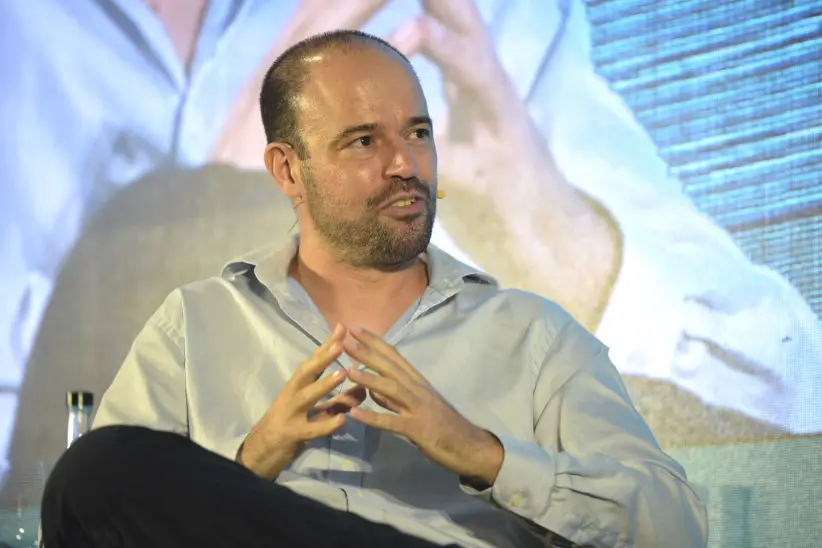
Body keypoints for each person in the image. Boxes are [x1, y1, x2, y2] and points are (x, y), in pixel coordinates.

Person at [41, 30, 708, 548]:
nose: (405, 164)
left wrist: (485, 455)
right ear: (288, 170)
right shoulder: (195, 324)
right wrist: (253, 460)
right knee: (94, 469)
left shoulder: (533, 336)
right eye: (363, 142)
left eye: (417, 133)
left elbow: (677, 528)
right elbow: (84, 523)